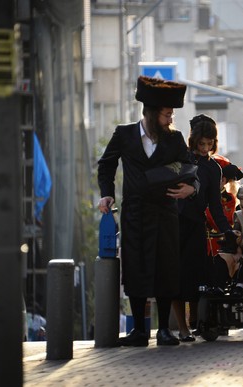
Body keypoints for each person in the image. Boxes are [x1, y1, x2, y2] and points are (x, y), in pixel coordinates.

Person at [97, 75, 197, 347]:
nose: (171, 118)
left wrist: (192, 188)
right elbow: (106, 165)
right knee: (135, 268)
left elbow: (190, 169)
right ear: (152, 114)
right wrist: (106, 193)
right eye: (167, 114)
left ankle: (164, 329)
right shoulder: (124, 134)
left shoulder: (175, 139)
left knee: (166, 268)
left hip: (165, 212)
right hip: (134, 213)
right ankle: (140, 330)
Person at [172, 114, 232, 342]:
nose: (205, 148)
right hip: (175, 224)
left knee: (196, 277)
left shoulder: (214, 168)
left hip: (197, 225)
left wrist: (227, 230)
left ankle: (195, 319)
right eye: (201, 144)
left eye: (209, 144)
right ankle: (183, 328)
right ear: (193, 141)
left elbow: (216, 207)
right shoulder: (181, 159)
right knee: (177, 279)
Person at [205, 154, 243, 257]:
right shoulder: (202, 193)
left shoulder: (229, 198)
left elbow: (217, 220)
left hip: (218, 246)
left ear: (223, 180)